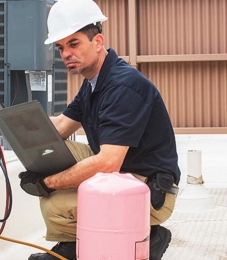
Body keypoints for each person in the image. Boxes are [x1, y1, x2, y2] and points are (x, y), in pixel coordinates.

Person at [18, 0, 181, 259]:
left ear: (97, 42)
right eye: (61, 47)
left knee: (55, 205)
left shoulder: (123, 86)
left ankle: (146, 238)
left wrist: (47, 184)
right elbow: (60, 127)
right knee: (54, 152)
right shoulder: (94, 82)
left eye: (74, 44)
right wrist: (17, 128)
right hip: (123, 171)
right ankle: (78, 242)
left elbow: (108, 163)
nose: (66, 54)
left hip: (147, 189)